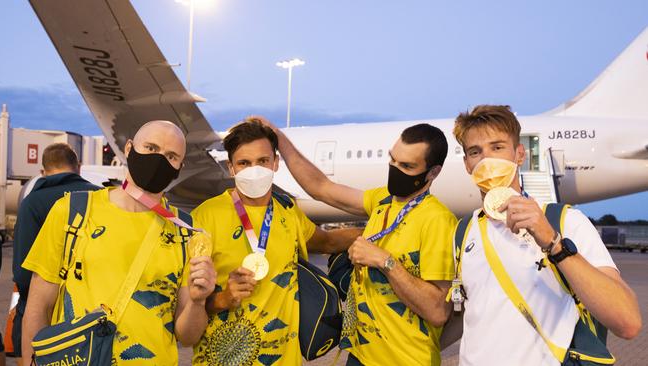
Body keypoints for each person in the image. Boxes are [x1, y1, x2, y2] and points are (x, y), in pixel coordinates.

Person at [256, 117, 456, 366]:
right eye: (392, 159)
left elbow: (438, 311)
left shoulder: (437, 220)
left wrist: (385, 261)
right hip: (361, 356)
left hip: (405, 360)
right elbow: (321, 187)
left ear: (433, 172)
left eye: (406, 166)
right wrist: (279, 138)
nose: (395, 169)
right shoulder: (383, 200)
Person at [452, 105, 641, 365]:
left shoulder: (565, 221)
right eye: (475, 152)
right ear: (466, 164)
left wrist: (553, 243)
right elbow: (471, 315)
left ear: (520, 155)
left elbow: (627, 322)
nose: (486, 160)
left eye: (497, 148)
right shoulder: (463, 232)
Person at [21, 120, 217, 364]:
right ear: (128, 148)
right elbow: (39, 307)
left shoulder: (186, 233)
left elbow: (187, 336)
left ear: (179, 167)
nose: (159, 161)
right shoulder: (74, 211)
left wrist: (198, 302)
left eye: (171, 156)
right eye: (151, 148)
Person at [191, 119, 361, 366]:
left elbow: (326, 242)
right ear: (231, 168)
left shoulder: (288, 211)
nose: (255, 169)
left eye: (262, 161)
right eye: (244, 163)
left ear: (276, 163)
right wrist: (224, 298)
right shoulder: (205, 217)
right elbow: (186, 305)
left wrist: (376, 231)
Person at [11, 143, 100, 364]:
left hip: (42, 318)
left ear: (42, 172)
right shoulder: (101, 198)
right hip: (91, 316)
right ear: (78, 167)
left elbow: (23, 274)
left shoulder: (33, 203)